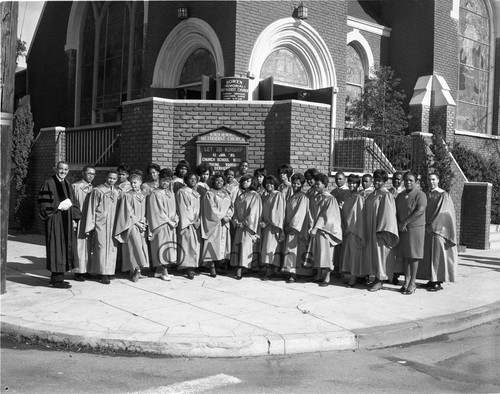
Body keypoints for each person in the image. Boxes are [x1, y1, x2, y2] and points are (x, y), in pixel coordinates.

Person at [38, 161, 82, 288]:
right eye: (61, 169)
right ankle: (58, 280)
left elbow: (74, 201)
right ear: (56, 169)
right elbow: (43, 204)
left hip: (66, 221)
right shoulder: (49, 183)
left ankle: (55, 277)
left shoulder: (67, 183)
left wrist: (74, 217)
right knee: (57, 248)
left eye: (66, 169)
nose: (63, 171)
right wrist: (58, 206)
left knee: (65, 247)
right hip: (55, 220)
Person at [363, 169, 399, 292]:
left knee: (380, 255)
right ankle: (375, 277)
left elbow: (388, 214)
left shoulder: (386, 195)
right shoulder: (372, 194)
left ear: (384, 181)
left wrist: (382, 230)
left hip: (380, 230)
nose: (376, 183)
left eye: (379, 181)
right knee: (373, 254)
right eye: (375, 180)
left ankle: (380, 280)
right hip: (370, 228)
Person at [420, 173, 458, 291]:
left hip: (438, 231)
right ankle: (431, 279)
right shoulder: (426, 194)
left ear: (438, 180)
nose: (431, 182)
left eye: (433, 179)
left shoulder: (443, 195)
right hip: (426, 229)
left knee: (437, 256)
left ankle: (437, 281)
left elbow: (444, 213)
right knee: (428, 255)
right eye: (429, 179)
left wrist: (432, 226)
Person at [306, 173, 342, 287]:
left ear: (325, 185)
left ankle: (327, 277)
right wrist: (311, 226)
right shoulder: (315, 197)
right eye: (315, 183)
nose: (316, 186)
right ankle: (319, 275)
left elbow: (327, 216)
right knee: (317, 252)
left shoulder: (330, 199)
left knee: (326, 254)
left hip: (325, 230)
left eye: (318, 184)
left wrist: (316, 227)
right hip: (316, 229)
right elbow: (311, 213)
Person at [85, 171, 121, 284]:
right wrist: (90, 224)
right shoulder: (98, 190)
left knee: (112, 247)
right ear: (106, 177)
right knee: (101, 246)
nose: (111, 180)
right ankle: (101, 273)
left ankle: (109, 271)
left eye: (114, 179)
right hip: (102, 222)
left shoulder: (117, 191)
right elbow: (91, 208)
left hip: (114, 222)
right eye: (110, 178)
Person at [395, 171, 427, 295]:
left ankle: (413, 282)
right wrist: (399, 223)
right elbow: (396, 211)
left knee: (413, 255)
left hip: (415, 228)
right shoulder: (401, 195)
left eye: (411, 180)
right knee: (405, 255)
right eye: (406, 180)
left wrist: (406, 222)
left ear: (416, 182)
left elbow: (420, 210)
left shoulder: (420, 194)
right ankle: (406, 280)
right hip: (403, 228)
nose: (408, 182)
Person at [115, 173, 149, 282]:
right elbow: (128, 212)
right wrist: (137, 223)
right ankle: (136, 270)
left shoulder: (144, 195)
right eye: (131, 183)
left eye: (135, 182)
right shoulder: (127, 195)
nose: (133, 185)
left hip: (141, 225)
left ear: (140, 183)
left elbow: (146, 210)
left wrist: (143, 221)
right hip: (131, 225)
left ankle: (135, 270)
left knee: (140, 247)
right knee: (134, 247)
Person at [147, 169, 178, 281]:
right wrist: (169, 221)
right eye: (163, 180)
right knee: (162, 247)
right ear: (159, 180)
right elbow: (157, 211)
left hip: (170, 225)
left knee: (168, 247)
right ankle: (164, 271)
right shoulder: (155, 193)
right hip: (161, 225)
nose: (165, 183)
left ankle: (159, 271)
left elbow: (175, 209)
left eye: (168, 181)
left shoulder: (171, 193)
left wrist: (176, 219)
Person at [200, 173, 233, 277]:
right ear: (213, 181)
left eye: (222, 181)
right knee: (213, 244)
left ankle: (219, 265)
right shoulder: (209, 194)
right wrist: (222, 217)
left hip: (225, 223)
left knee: (222, 245)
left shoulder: (226, 193)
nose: (219, 183)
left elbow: (231, 206)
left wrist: (229, 216)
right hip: (215, 223)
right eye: (217, 181)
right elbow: (211, 208)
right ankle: (212, 266)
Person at [230, 174, 262, 279]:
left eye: (247, 181)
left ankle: (241, 268)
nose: (245, 183)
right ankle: (242, 267)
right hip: (239, 226)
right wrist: (236, 221)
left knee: (245, 247)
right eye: (243, 181)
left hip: (248, 227)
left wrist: (244, 222)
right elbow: (234, 210)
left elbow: (254, 212)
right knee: (239, 247)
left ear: (252, 182)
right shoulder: (241, 195)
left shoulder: (255, 196)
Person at [282, 173, 311, 283]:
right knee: (290, 250)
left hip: (297, 228)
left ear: (302, 185)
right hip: (289, 226)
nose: (295, 185)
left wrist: (293, 225)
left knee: (295, 250)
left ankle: (294, 274)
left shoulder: (302, 197)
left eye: (298, 183)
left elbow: (300, 213)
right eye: (294, 183)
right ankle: (289, 271)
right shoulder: (292, 196)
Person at [340, 174, 366, 287]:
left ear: (357, 185)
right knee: (349, 254)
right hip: (347, 229)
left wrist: (349, 227)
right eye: (350, 183)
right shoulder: (348, 196)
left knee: (355, 254)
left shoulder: (358, 197)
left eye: (354, 183)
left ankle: (354, 277)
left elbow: (357, 215)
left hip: (354, 230)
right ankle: (351, 275)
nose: (351, 185)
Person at [71, 165, 95, 281]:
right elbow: (72, 204)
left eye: (93, 174)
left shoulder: (93, 188)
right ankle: (78, 271)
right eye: (89, 173)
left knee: (87, 245)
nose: (91, 176)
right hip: (79, 219)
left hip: (89, 220)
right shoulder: (76, 186)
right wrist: (73, 220)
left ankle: (86, 269)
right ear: (83, 173)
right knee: (79, 245)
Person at [260, 175, 285, 280]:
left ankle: (270, 271)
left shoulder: (277, 195)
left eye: (271, 183)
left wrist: (269, 222)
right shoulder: (265, 195)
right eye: (267, 183)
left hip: (273, 226)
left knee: (270, 248)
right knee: (266, 248)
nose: (269, 185)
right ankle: (268, 269)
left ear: (275, 184)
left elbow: (277, 212)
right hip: (265, 226)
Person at [176, 172, 201, 279]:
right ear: (186, 180)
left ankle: (193, 265)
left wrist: (198, 219)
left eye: (195, 179)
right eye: (190, 179)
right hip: (187, 223)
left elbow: (198, 209)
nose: (193, 181)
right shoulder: (182, 192)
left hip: (196, 222)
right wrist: (192, 220)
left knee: (194, 245)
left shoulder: (195, 193)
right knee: (187, 245)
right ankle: (187, 267)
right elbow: (184, 208)